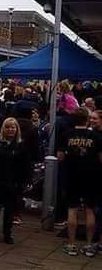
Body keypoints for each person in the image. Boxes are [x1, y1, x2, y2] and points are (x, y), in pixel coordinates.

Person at [58, 108, 102, 257]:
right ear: (87, 119)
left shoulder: (66, 134)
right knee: (90, 210)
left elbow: (60, 156)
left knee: (72, 210)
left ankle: (71, 244)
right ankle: (89, 245)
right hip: (91, 176)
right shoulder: (96, 136)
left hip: (72, 175)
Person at [0, 117, 28, 244]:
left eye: (13, 127)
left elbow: (25, 165)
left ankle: (7, 233)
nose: (11, 130)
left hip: (13, 181)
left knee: (10, 209)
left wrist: (23, 182)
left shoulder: (21, 145)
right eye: (8, 127)